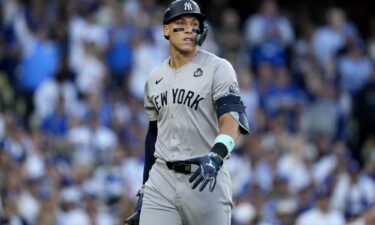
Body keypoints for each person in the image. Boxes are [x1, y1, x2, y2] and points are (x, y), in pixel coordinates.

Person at [124, 0, 250, 225]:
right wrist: (146, 185)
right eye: (180, 23)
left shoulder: (219, 68)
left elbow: (232, 120)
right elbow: (153, 135)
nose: (189, 29)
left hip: (204, 175)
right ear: (166, 30)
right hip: (162, 178)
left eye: (194, 23)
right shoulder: (154, 78)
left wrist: (216, 155)